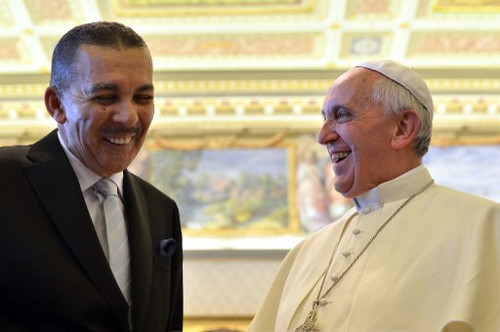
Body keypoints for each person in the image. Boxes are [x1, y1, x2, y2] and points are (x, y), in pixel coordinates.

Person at [248, 59, 500, 331]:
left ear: (402, 128)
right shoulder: (305, 251)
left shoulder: (485, 228)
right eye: (324, 118)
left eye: (342, 115)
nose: (322, 136)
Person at [0, 22, 183, 331]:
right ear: (57, 105)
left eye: (143, 98)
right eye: (106, 97)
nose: (129, 117)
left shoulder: (162, 210)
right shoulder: (6, 182)